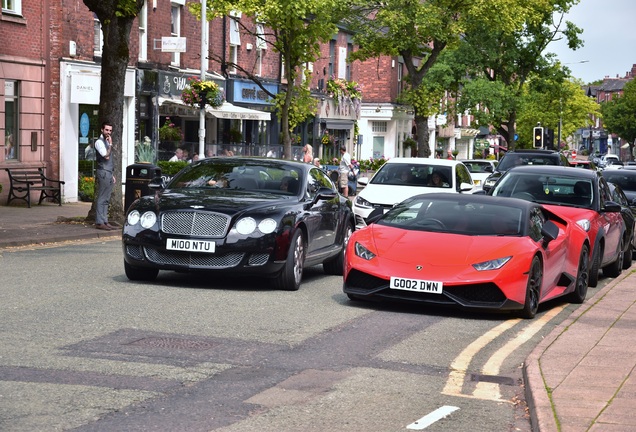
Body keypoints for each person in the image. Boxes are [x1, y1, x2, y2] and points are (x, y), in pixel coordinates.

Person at [94, 121, 117, 231]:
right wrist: (111, 144)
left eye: (110, 130)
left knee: (107, 198)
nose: (108, 132)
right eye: (106, 130)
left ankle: (104, 221)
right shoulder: (99, 142)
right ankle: (99, 222)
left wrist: (111, 174)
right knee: (102, 197)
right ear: (102, 130)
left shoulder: (106, 142)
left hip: (107, 172)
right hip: (103, 171)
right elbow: (106, 156)